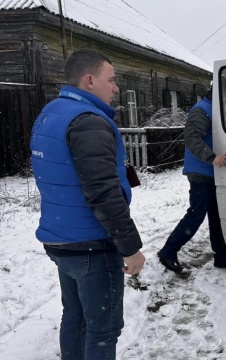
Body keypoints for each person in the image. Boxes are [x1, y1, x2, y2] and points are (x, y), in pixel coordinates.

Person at [30, 49, 145, 359]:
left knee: (76, 319)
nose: (116, 87)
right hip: (92, 244)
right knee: (102, 331)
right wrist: (131, 248)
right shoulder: (88, 122)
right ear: (90, 80)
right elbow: (103, 193)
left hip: (62, 239)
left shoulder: (51, 113)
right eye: (112, 80)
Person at [157, 77, 226, 272]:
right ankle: (167, 251)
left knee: (217, 215)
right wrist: (212, 157)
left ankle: (222, 256)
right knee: (196, 215)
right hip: (201, 171)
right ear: (220, 93)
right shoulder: (202, 109)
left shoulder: (220, 111)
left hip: (216, 172)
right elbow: (191, 138)